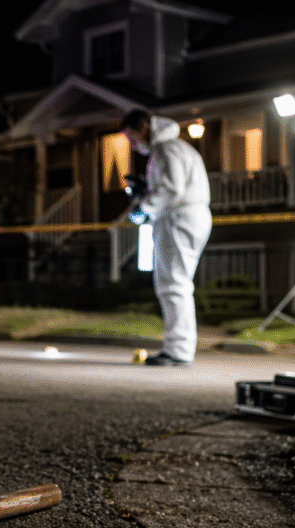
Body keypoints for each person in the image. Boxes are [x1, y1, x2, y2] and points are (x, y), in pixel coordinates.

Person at [121, 109, 212, 366]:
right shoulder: (176, 149)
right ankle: (179, 347)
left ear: (144, 128)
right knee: (176, 282)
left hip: (179, 218)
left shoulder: (166, 149)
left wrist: (143, 207)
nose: (132, 143)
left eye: (131, 136)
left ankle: (178, 350)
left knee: (173, 283)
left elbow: (172, 189)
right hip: (187, 216)